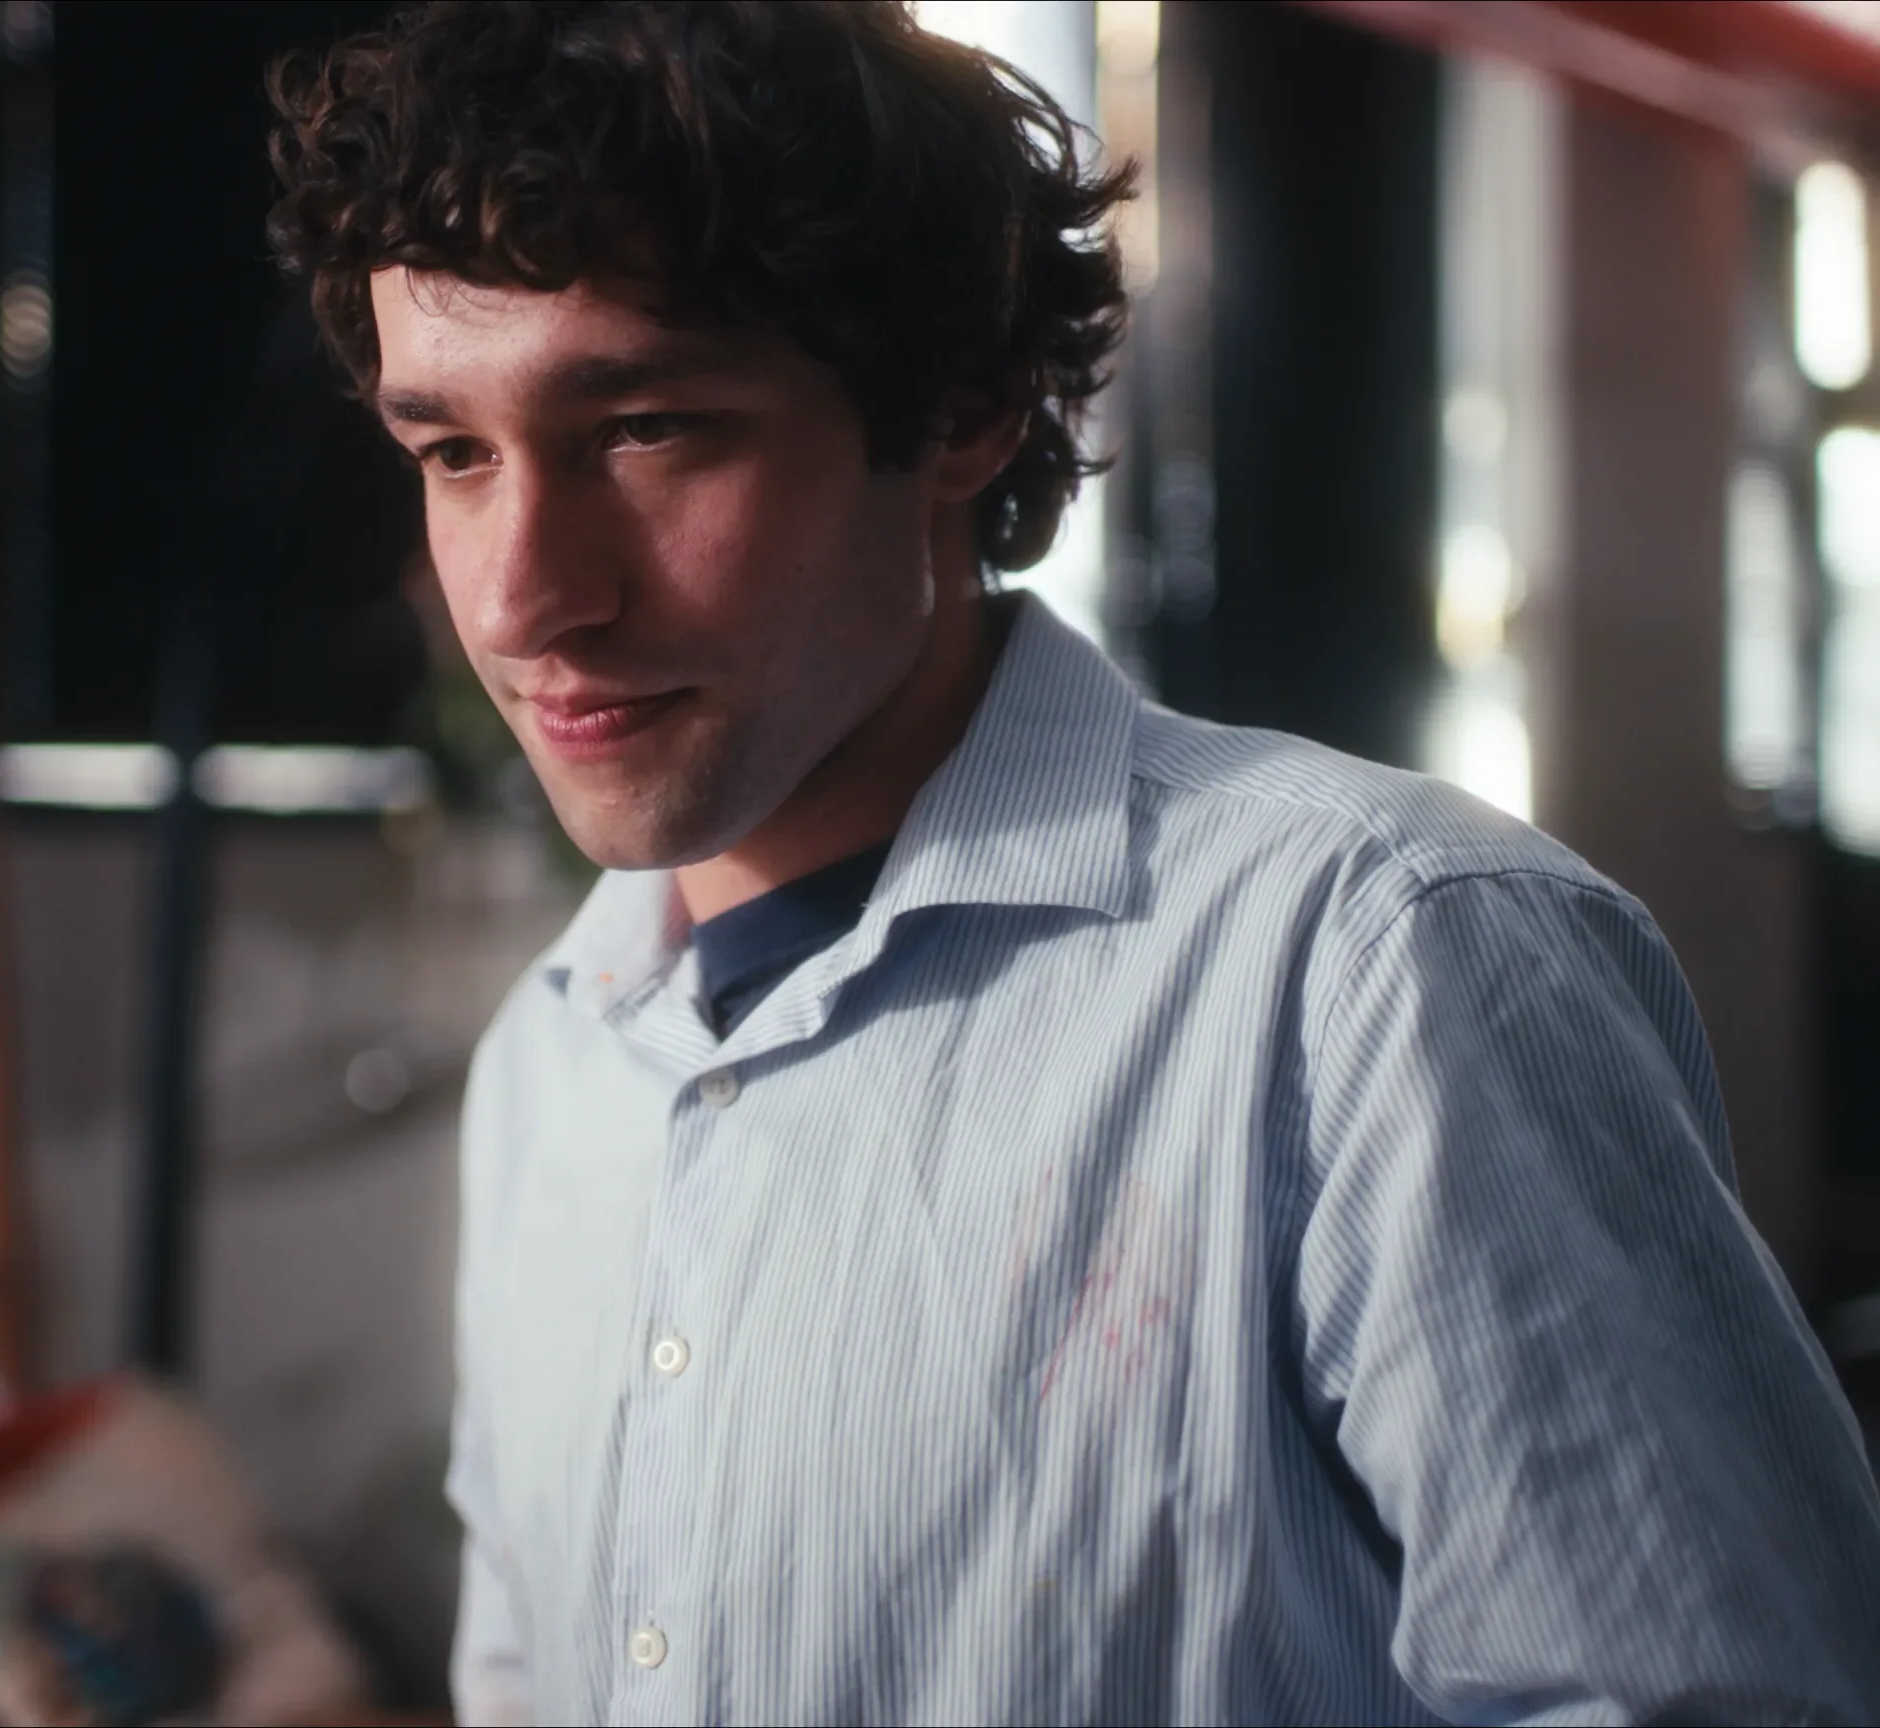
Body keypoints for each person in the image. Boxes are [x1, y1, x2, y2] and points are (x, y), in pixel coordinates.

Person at [267, 3, 1880, 1722]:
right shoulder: (560, 1055)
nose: (521, 599)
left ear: (963, 410)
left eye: (646, 427)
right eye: (452, 452)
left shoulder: (1373, 965)